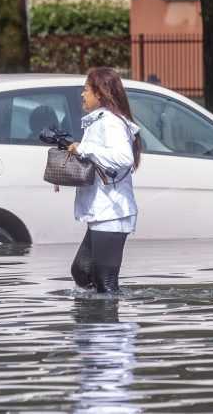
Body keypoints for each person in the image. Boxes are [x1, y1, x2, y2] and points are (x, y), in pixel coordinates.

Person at [65, 67, 142, 294]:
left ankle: (109, 326)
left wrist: (85, 149)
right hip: (103, 211)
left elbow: (123, 158)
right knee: (81, 271)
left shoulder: (110, 122)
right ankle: (92, 324)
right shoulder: (100, 121)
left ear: (100, 93)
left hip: (113, 212)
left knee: (105, 281)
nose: (82, 95)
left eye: (86, 90)